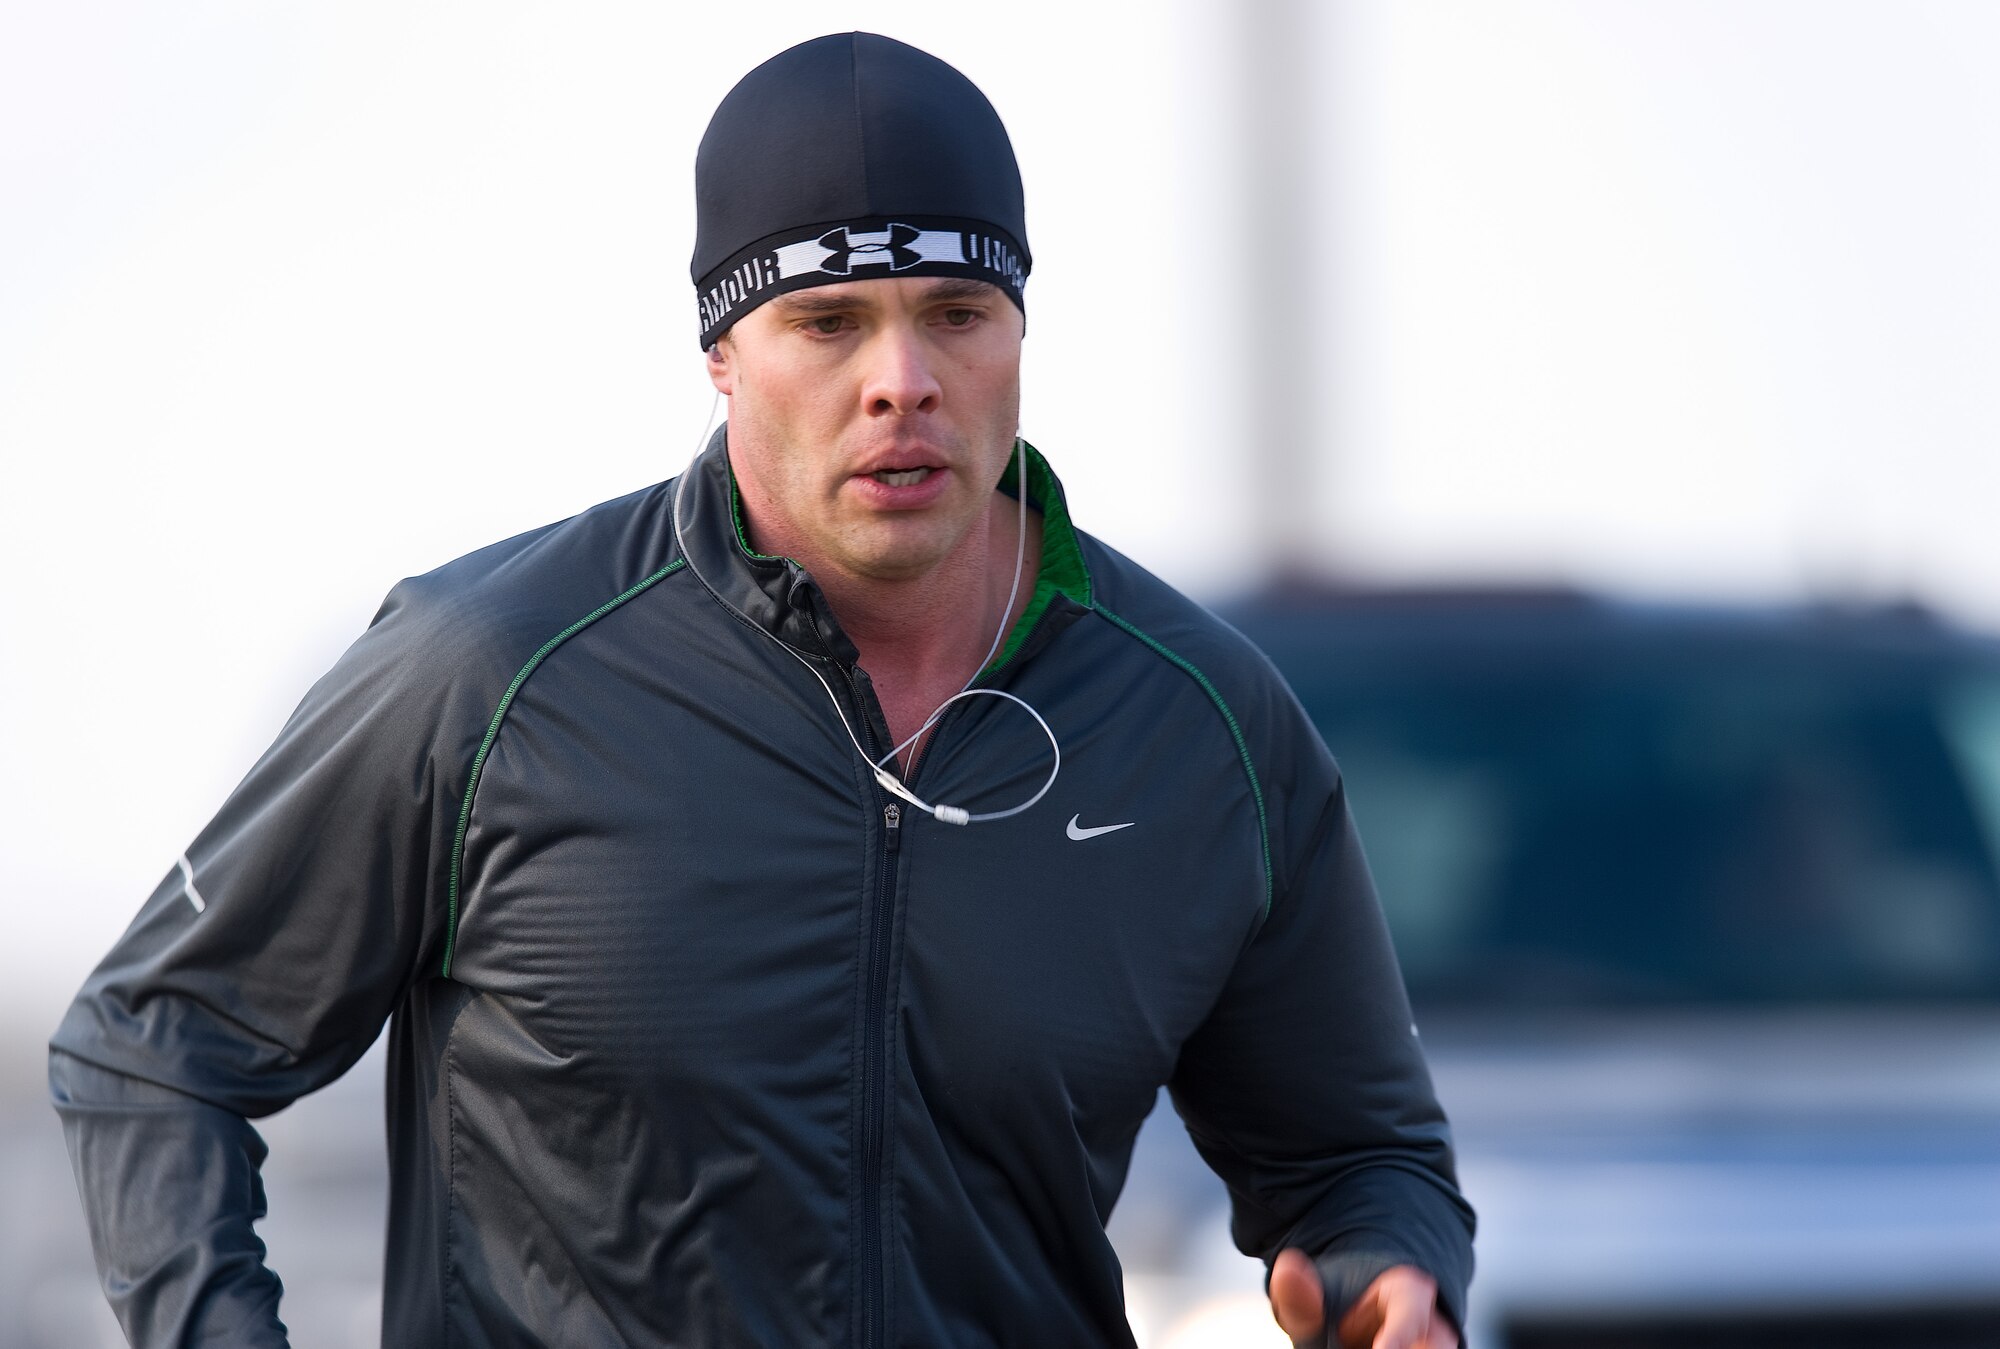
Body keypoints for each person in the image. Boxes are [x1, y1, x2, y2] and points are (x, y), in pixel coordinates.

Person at [51, 31, 1474, 1349]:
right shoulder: (486, 669)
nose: (902, 380)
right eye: (831, 322)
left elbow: (1360, 1158)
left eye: (958, 312)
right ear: (722, 355)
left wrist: (1388, 1271)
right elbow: (154, 1044)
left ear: (1020, 333)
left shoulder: (1200, 723)